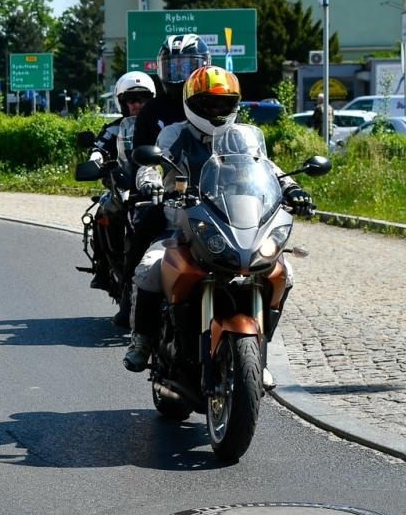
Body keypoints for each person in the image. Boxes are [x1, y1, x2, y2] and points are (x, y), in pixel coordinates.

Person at [122, 66, 312, 375]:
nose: (217, 110)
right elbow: (154, 163)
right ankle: (141, 341)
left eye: (224, 103)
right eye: (209, 103)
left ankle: (259, 351)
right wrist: (150, 181)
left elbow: (267, 167)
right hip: (183, 223)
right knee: (151, 267)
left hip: (235, 221)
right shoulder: (176, 133)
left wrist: (292, 188)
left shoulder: (243, 136)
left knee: (282, 271)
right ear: (192, 103)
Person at [79, 72, 157, 315]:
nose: (136, 104)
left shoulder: (159, 126)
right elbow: (99, 148)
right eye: (131, 100)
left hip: (155, 189)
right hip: (121, 187)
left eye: (142, 99)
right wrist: (96, 160)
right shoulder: (113, 129)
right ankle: (103, 267)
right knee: (102, 214)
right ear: (122, 103)